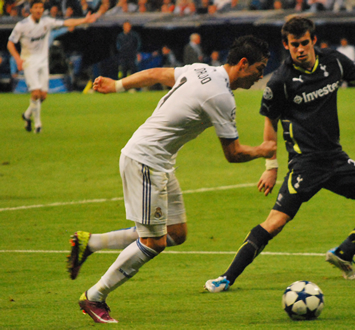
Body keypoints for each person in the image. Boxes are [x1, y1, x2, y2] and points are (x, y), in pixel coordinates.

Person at [204, 16, 355, 293]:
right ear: (286, 45)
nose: (300, 49)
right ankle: (226, 278)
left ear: (313, 40)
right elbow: (270, 121)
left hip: (336, 159)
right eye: (294, 45)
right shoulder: (280, 80)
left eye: (304, 43)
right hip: (305, 165)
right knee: (275, 222)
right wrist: (271, 165)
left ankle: (344, 252)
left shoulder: (334, 62)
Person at [67, 35, 275, 324]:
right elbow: (234, 154)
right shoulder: (222, 98)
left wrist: (117, 85)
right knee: (153, 242)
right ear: (243, 63)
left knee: (176, 233)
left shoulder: (201, 69)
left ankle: (91, 243)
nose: (260, 75)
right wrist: (263, 150)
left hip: (160, 162)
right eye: (260, 67)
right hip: (145, 160)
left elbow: (156, 74)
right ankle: (95, 296)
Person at [7, 0, 99, 133]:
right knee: (36, 93)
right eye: (36, 7)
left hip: (43, 62)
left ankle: (27, 115)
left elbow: (66, 22)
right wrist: (17, 59)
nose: (38, 10)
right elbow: (10, 43)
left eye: (40, 7)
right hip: (29, 62)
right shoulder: (22, 25)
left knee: (43, 95)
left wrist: (84, 20)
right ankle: (38, 125)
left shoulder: (46, 22)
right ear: (31, 10)